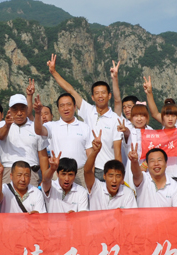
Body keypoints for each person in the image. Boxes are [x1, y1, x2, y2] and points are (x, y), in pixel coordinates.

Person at [48, 54, 122, 182]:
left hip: (107, 169)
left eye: (103, 93)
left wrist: (118, 174)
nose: (100, 96)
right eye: (97, 93)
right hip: (89, 168)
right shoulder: (88, 110)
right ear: (92, 97)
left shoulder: (115, 119)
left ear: (109, 95)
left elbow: (118, 151)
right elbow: (71, 91)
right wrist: (54, 72)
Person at [33, 93, 92, 188]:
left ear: (74, 107)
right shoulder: (52, 126)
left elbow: (90, 154)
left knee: (81, 197)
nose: (65, 108)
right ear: (58, 109)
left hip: (80, 173)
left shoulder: (84, 127)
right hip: (58, 173)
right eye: (62, 105)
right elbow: (39, 130)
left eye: (69, 104)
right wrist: (37, 112)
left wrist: (90, 175)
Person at [0, 93, 49, 186]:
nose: (19, 113)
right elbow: (0, 136)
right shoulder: (2, 124)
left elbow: (43, 155)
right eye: (15, 109)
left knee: (31, 195)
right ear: (9, 110)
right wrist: (7, 125)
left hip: (31, 171)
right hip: (9, 170)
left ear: (27, 109)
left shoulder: (36, 127)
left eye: (22, 109)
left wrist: (45, 178)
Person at [84, 130, 137, 210]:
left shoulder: (128, 194)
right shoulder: (96, 188)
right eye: (111, 176)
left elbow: (131, 215)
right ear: (104, 176)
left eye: (118, 176)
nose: (114, 180)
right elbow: (87, 171)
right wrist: (94, 152)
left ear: (122, 178)